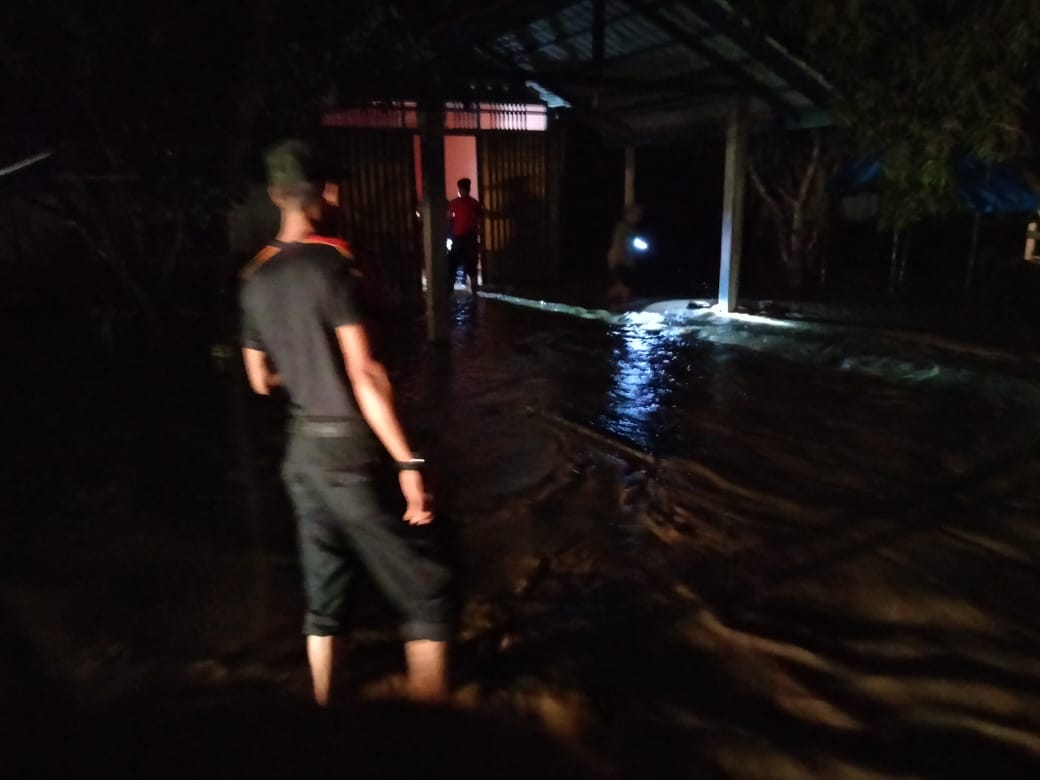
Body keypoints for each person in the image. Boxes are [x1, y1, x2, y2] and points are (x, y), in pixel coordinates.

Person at [238, 139, 452, 707]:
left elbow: (259, 379)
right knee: (426, 592)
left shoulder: (254, 278)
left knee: (323, 600)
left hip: (300, 458)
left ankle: (325, 719)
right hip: (347, 455)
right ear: (323, 193)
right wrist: (408, 462)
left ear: (274, 194)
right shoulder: (331, 262)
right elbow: (365, 374)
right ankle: (446, 739)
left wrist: (304, 365)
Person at [446, 177, 483, 296]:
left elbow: (449, 218)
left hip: (459, 238)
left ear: (459, 189)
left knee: (453, 264)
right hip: (471, 239)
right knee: (472, 265)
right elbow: (480, 218)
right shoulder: (474, 203)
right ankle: (475, 292)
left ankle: (449, 292)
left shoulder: (454, 203)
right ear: (469, 188)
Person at [606, 203, 643, 305]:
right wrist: (619, 259)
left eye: (639, 215)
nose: (638, 217)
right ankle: (621, 305)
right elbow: (620, 244)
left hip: (624, 261)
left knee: (622, 287)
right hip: (620, 261)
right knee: (624, 287)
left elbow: (631, 244)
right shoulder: (623, 227)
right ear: (629, 214)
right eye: (635, 214)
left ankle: (615, 304)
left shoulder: (631, 228)